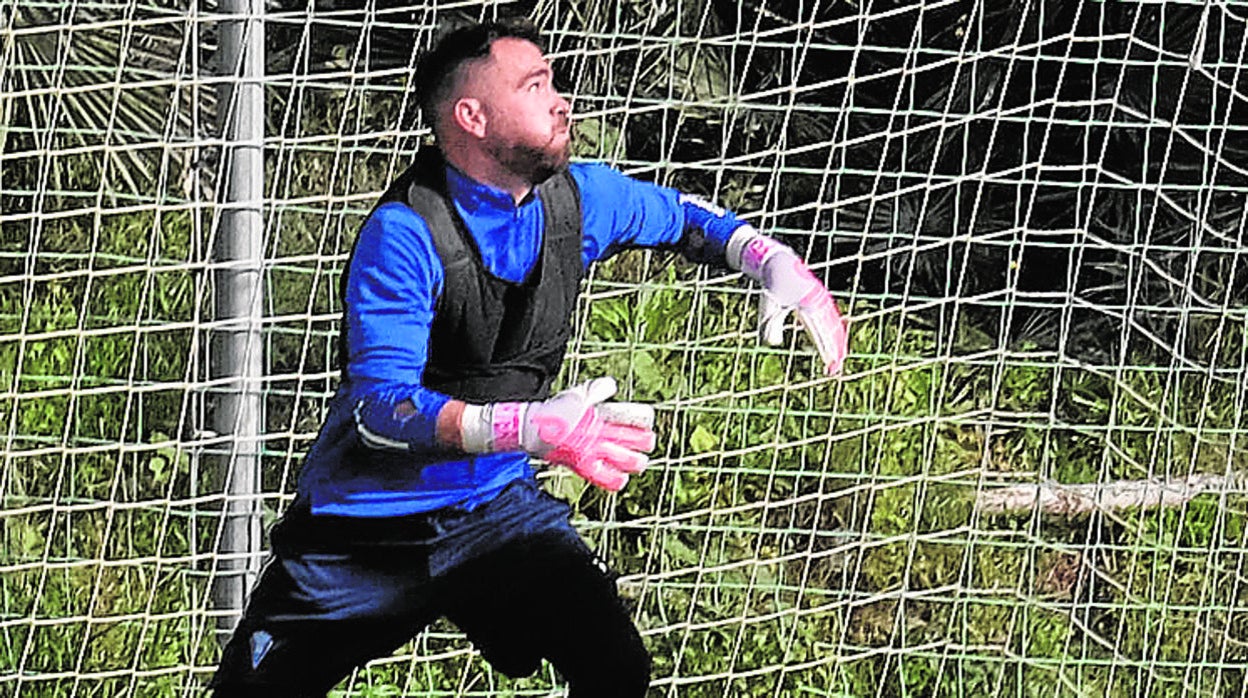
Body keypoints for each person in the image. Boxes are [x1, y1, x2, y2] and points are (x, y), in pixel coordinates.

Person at [209, 18, 848, 698]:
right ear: (472, 116)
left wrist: (769, 258)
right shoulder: (404, 235)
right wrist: (525, 428)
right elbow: (378, 411)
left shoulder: (579, 201)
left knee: (614, 666)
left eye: (553, 83)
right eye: (534, 85)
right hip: (365, 529)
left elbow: (686, 218)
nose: (560, 100)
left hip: (496, 514)